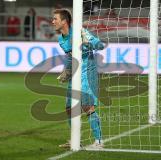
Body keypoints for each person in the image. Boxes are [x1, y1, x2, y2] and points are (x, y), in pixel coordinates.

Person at [52, 9, 104, 149]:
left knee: (87, 106)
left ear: (64, 21)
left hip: (87, 71)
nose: (53, 21)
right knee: (69, 107)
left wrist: (88, 41)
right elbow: (70, 56)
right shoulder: (61, 39)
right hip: (75, 73)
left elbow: (101, 45)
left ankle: (99, 141)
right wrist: (66, 71)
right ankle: (76, 140)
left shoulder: (79, 32)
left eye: (55, 19)